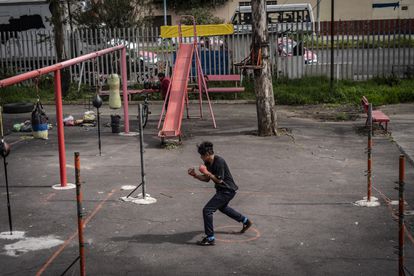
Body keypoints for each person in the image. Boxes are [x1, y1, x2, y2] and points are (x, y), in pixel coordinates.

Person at [188, 141, 253, 246]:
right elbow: (206, 179)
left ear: (207, 154)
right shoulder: (208, 163)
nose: (201, 158)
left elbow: (219, 180)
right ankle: (245, 221)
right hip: (223, 190)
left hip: (227, 190)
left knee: (207, 210)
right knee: (223, 208)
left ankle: (210, 238)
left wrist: (207, 172)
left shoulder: (219, 162)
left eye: (202, 155)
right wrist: (195, 175)